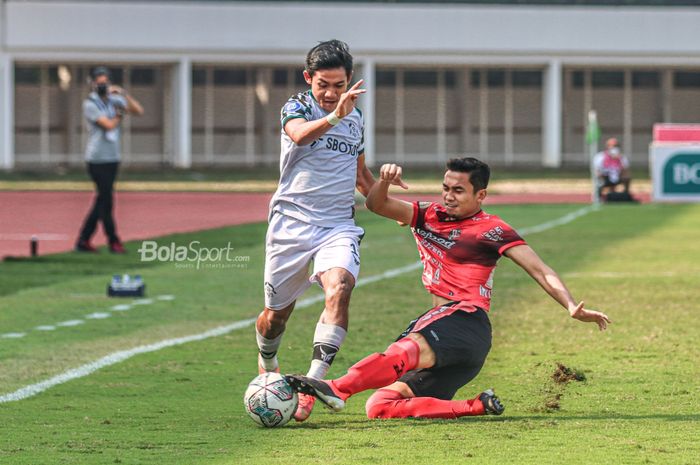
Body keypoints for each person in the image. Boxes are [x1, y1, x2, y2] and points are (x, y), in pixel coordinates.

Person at [285, 157, 611, 420]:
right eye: (446, 188)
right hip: (463, 349)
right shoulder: (429, 215)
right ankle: (477, 406)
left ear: (480, 195)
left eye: (458, 190)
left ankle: (337, 388)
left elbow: (540, 269)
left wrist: (570, 305)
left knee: (407, 347)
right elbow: (377, 204)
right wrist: (382, 180)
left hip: (463, 319)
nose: (449, 196)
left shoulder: (492, 229)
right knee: (380, 406)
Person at [255, 40, 387, 422]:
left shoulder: (356, 118)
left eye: (339, 85)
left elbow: (362, 178)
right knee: (276, 317)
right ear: (307, 78)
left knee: (340, 287)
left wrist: (391, 198)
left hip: (337, 224)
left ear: (349, 81)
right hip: (290, 225)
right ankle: (268, 361)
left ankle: (313, 381)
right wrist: (333, 116)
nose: (331, 93)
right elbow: (298, 135)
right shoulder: (296, 106)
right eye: (323, 85)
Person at [75, 66, 144, 253]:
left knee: (102, 200)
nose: (102, 87)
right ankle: (113, 240)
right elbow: (108, 125)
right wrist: (120, 113)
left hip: (113, 157)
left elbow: (138, 110)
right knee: (107, 201)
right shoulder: (90, 104)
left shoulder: (115, 99)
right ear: (92, 84)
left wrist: (123, 94)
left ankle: (83, 240)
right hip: (97, 159)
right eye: (99, 84)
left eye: (105, 83)